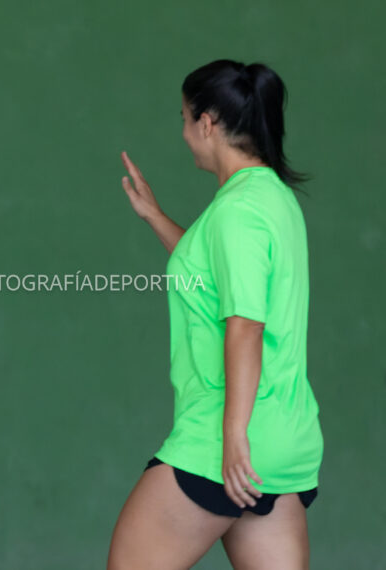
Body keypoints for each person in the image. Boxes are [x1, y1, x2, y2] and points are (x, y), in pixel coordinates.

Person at [108, 60, 323, 569]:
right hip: (282, 445)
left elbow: (245, 324)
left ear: (207, 122)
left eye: (184, 119)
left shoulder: (237, 211)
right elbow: (215, 282)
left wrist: (232, 437)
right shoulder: (272, 199)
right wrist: (156, 216)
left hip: (225, 443)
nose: (183, 134)